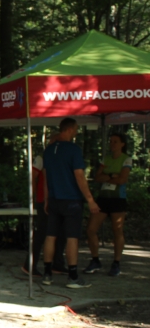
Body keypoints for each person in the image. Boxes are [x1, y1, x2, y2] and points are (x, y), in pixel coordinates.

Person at [41, 117, 99, 289]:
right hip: (71, 199)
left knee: (51, 235)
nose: (76, 132)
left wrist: (46, 199)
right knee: (72, 237)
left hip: (54, 199)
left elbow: (46, 177)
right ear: (69, 129)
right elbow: (79, 176)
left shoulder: (48, 150)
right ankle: (73, 277)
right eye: (75, 129)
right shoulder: (73, 149)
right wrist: (90, 199)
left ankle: (47, 274)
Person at [84, 132, 132, 277]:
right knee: (91, 229)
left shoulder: (126, 159)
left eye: (115, 141)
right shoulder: (106, 158)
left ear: (122, 144)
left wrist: (107, 177)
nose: (112, 144)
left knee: (117, 231)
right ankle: (95, 260)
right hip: (103, 198)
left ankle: (116, 263)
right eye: (110, 141)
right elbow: (97, 177)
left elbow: (122, 180)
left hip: (118, 199)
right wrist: (112, 176)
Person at [23, 133, 65, 276]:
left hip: (59, 199)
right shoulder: (42, 158)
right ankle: (29, 264)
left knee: (61, 232)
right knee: (42, 232)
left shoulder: (61, 158)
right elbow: (32, 177)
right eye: (54, 141)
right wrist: (34, 198)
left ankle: (58, 263)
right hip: (43, 200)